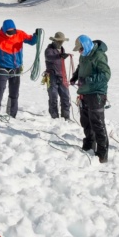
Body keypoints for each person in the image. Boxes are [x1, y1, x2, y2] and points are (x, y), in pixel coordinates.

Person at [0, 19, 39, 118]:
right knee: (0, 88)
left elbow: (32, 41)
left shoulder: (20, 34)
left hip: (16, 68)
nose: (11, 34)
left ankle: (11, 114)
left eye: (13, 32)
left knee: (14, 91)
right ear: (4, 30)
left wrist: (36, 36)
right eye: (9, 32)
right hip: (3, 67)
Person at [69, 35, 111, 163]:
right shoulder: (84, 55)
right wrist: (75, 77)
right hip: (85, 93)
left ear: (86, 46)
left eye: (80, 49)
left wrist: (88, 80)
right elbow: (80, 68)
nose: (79, 52)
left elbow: (106, 74)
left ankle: (102, 153)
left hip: (96, 94)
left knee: (97, 123)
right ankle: (89, 146)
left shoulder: (98, 56)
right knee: (86, 122)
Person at [44, 31, 72, 120]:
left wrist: (61, 55)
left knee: (65, 97)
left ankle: (66, 117)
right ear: (54, 41)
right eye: (59, 41)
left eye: (61, 41)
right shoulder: (48, 50)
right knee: (53, 96)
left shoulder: (62, 49)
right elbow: (49, 57)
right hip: (52, 76)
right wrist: (60, 56)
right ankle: (54, 117)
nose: (60, 43)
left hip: (62, 76)